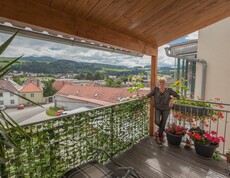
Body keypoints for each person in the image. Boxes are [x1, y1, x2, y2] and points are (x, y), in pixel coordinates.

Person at [143, 77, 180, 145]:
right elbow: (150, 94)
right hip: (158, 108)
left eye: (163, 82)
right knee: (156, 121)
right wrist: (144, 96)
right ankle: (163, 129)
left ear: (165, 83)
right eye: (160, 82)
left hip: (166, 109)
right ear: (159, 83)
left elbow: (177, 96)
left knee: (163, 122)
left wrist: (172, 100)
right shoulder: (156, 89)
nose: (162, 83)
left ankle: (159, 138)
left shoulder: (169, 90)